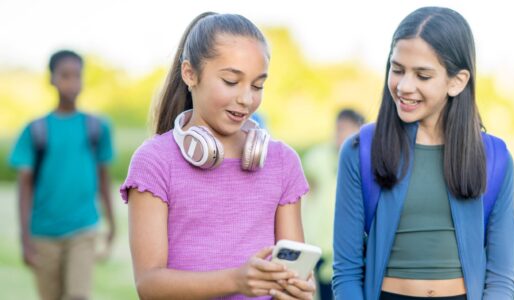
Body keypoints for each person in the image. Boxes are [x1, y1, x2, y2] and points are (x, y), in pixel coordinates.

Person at [120, 12, 316, 300]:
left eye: (258, 85)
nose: (246, 99)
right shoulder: (155, 161)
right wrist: (236, 280)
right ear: (190, 74)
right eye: (231, 81)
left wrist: (295, 291)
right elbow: (149, 284)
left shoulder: (282, 162)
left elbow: (289, 271)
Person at [333, 7, 514, 300]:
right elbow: (347, 271)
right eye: (397, 69)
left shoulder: (495, 158)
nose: (404, 86)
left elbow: (501, 277)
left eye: (423, 75)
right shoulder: (360, 151)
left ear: (457, 81)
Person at [9, 49, 116, 300]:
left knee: (77, 295)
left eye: (77, 75)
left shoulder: (97, 128)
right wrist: (25, 239)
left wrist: (112, 223)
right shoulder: (35, 130)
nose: (72, 82)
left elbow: (104, 178)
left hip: (83, 229)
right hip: (44, 234)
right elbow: (24, 188)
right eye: (65, 75)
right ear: (51, 79)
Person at [302, 108, 364, 299]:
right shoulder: (316, 157)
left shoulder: (364, 160)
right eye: (339, 128)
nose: (341, 134)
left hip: (343, 247)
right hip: (315, 245)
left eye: (348, 128)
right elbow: (305, 191)